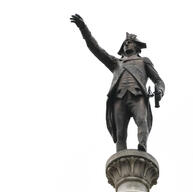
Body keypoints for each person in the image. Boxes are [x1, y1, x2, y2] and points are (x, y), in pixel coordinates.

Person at [70, 14, 165, 152]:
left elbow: (158, 80)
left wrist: (160, 90)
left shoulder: (144, 61)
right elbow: (96, 49)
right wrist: (84, 29)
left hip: (138, 96)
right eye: (125, 43)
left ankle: (142, 145)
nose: (126, 44)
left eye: (129, 42)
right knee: (120, 133)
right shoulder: (116, 63)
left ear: (137, 46)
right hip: (119, 98)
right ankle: (121, 155)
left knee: (142, 121)